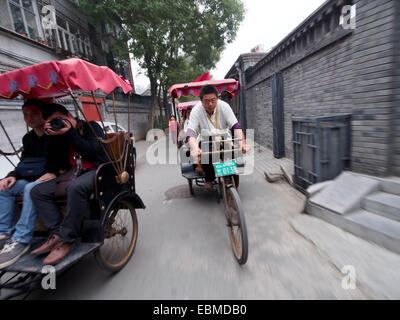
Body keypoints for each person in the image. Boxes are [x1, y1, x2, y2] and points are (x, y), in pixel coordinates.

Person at [30, 104, 108, 265]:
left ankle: (67, 239)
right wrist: (50, 136)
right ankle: (57, 233)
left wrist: (70, 132)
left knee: (75, 187)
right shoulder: (59, 135)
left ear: (69, 115)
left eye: (59, 119)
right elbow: (53, 163)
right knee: (37, 191)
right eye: (52, 122)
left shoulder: (91, 126)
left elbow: (93, 151)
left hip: (96, 170)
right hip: (71, 173)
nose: (58, 123)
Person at [0, 99, 54, 269]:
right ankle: (4, 232)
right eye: (25, 114)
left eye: (34, 113)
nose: (29, 118)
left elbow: (62, 161)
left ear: (44, 114)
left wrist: (51, 172)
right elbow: (25, 162)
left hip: (52, 178)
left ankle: (21, 239)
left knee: (32, 188)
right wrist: (12, 176)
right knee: (3, 188)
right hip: (31, 178)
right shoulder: (28, 138)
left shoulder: (54, 133)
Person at [186, 85, 249, 190]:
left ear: (217, 98)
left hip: (224, 137)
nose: (210, 104)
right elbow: (191, 131)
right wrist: (194, 148)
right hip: (206, 139)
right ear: (201, 101)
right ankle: (209, 178)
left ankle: (231, 176)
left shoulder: (224, 107)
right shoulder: (196, 110)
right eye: (206, 101)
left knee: (232, 153)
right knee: (206, 156)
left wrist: (242, 143)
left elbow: (235, 126)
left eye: (213, 100)